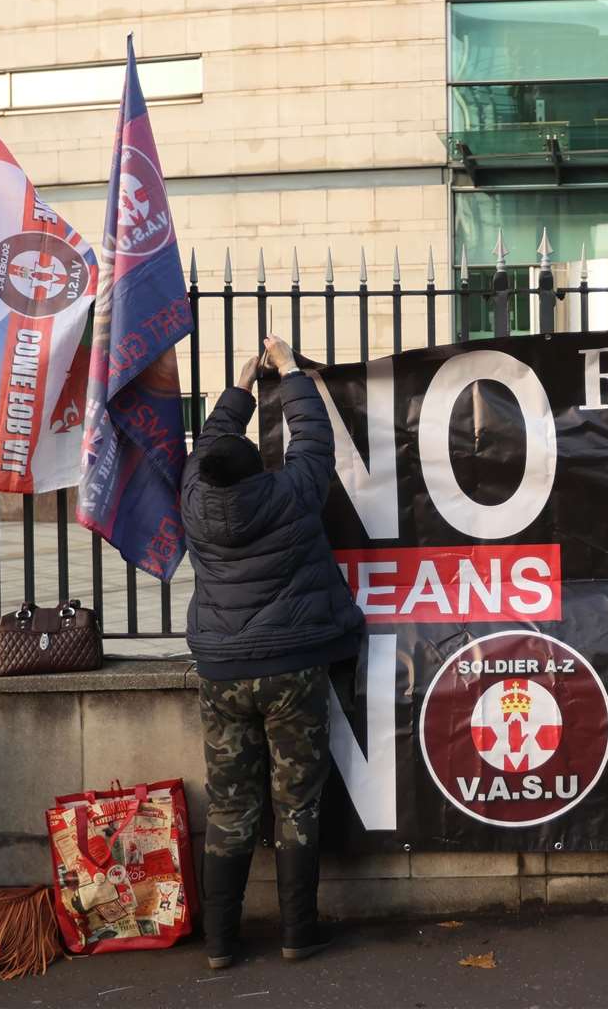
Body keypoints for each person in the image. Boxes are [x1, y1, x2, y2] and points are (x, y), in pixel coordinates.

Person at [181, 335, 364, 969]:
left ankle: (220, 944)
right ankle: (297, 932)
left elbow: (209, 445)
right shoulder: (290, 493)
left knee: (230, 804)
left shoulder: (192, 500)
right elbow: (315, 439)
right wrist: (286, 370)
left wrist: (235, 389)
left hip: (222, 674)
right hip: (292, 670)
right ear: (260, 466)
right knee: (298, 801)